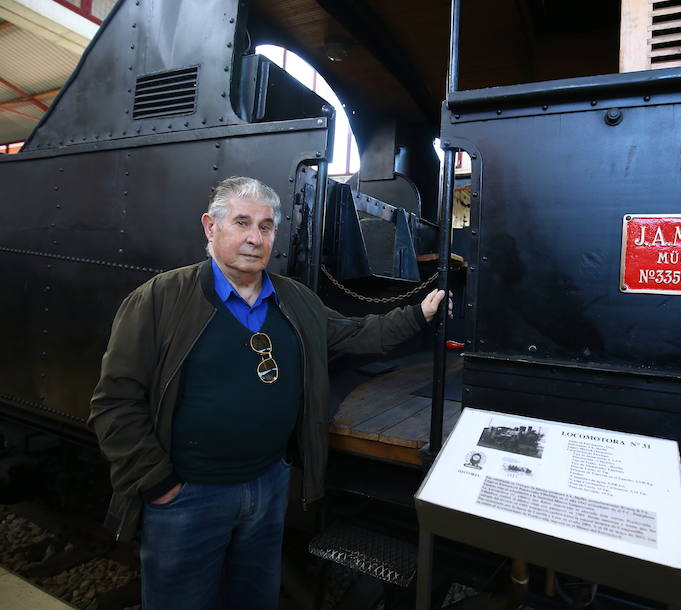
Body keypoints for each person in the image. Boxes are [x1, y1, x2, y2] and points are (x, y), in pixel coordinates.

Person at [89, 176, 449, 610]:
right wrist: (159, 484)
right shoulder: (159, 299)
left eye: (265, 226)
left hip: (267, 485)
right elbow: (115, 402)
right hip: (189, 495)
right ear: (210, 227)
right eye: (241, 223)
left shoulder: (294, 299)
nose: (254, 238)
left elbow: (356, 336)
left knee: (254, 599)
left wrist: (418, 315)